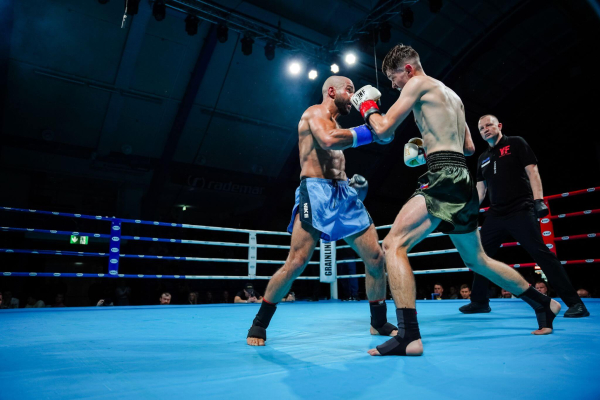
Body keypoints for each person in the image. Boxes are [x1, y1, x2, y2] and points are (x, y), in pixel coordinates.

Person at [349, 43, 561, 356]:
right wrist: (428, 148)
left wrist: (366, 105)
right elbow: (469, 148)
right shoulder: (453, 96)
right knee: (477, 260)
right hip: (461, 176)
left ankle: (408, 336)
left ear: (408, 69)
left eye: (394, 78)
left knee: (393, 245)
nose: (393, 85)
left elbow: (382, 129)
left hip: (444, 177)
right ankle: (543, 303)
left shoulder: (417, 84)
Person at [246, 76, 398, 347]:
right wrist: (370, 133)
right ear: (331, 91)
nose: (353, 96)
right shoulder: (313, 113)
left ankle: (378, 322)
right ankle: (259, 323)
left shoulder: (338, 125)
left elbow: (344, 150)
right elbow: (327, 141)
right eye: (349, 90)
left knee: (376, 257)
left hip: (344, 193)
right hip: (316, 191)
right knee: (296, 262)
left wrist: (377, 126)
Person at [459, 115, 589, 318]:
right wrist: (469, 208)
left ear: (499, 126)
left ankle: (575, 303)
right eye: (481, 128)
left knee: (541, 254)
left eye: (489, 125)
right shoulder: (483, 157)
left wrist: (539, 200)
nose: (485, 129)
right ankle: (479, 301)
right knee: (480, 256)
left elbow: (532, 171)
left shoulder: (516, 143)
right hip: (496, 213)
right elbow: (481, 189)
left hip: (520, 208)